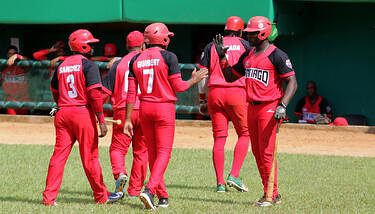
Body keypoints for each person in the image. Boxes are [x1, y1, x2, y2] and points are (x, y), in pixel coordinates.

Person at [123, 23, 208, 210]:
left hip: (144, 108)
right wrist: (195, 79)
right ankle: (150, 190)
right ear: (164, 38)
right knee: (163, 153)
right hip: (164, 108)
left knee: (153, 154)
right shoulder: (169, 56)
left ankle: (162, 196)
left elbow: (130, 92)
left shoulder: (135, 60)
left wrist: (128, 119)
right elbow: (179, 87)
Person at [214, 16, 298, 206]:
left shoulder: (278, 55)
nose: (248, 36)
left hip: (269, 108)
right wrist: (222, 57)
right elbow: (229, 77)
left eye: (252, 33)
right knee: (257, 152)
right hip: (251, 107)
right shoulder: (249, 54)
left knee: (267, 153)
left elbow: (292, 82)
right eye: (248, 32)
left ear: (263, 33)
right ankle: (269, 193)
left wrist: (282, 105)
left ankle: (271, 194)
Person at [42, 29, 123, 206]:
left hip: (63, 113)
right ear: (83, 45)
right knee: (90, 157)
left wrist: (60, 103)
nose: (93, 47)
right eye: (91, 44)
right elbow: (95, 95)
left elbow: (54, 89)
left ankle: (49, 198)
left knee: (58, 156)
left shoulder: (61, 65)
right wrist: (101, 120)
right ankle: (101, 196)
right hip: (81, 114)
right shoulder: (89, 65)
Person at [198, 16, 250, 193]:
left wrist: (202, 99)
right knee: (245, 133)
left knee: (219, 138)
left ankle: (220, 183)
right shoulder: (245, 44)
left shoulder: (211, 45)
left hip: (215, 93)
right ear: (241, 30)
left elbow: (202, 73)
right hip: (237, 92)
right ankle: (234, 174)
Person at [102, 31, 148, 197]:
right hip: (145, 110)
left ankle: (120, 173)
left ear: (127, 46)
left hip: (122, 110)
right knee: (141, 151)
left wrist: (96, 111)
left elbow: (104, 91)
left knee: (117, 149)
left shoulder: (118, 64)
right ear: (143, 45)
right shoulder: (148, 61)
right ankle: (135, 190)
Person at [1, 46, 28, 115]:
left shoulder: (23, 66)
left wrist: (17, 56)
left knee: (24, 122)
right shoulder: (3, 67)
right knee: (12, 120)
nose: (12, 55)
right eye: (10, 53)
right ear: (7, 55)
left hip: (22, 98)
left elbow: (27, 60)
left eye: (14, 53)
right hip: (10, 99)